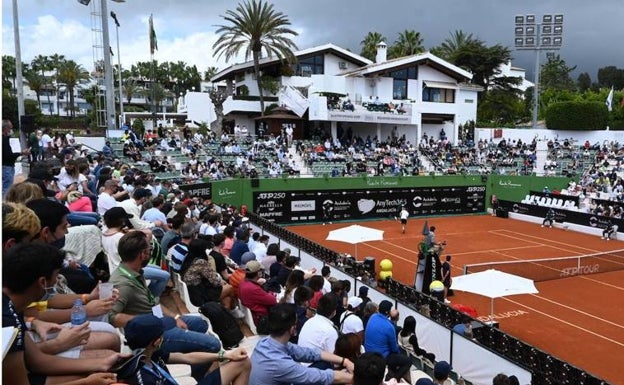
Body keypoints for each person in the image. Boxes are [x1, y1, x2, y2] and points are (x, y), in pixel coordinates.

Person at [2, 242, 121, 385]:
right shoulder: (7, 321)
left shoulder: (14, 308)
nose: (57, 281)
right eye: (56, 275)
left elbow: (37, 360)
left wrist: (102, 363)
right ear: (42, 282)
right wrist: (86, 383)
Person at [108, 231, 221, 380]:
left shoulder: (134, 272)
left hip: (159, 321)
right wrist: (146, 323)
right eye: (149, 250)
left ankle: (193, 358)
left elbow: (152, 302)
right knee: (213, 345)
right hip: (153, 334)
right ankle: (197, 378)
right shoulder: (123, 284)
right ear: (142, 254)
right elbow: (112, 317)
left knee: (200, 323)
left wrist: (175, 316)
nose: (150, 253)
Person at [122, 314, 251, 385]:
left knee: (242, 362)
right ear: (156, 342)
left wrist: (226, 355)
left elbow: (186, 357)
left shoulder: (149, 355)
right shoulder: (142, 379)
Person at [249, 303, 354, 384]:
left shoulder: (266, 342)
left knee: (323, 364)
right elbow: (320, 376)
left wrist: (344, 361)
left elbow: (309, 353)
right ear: (292, 329)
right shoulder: (281, 364)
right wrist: (355, 378)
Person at [364, 300, 411, 383]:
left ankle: (390, 374)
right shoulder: (389, 326)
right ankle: (394, 380)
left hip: (368, 351)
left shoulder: (372, 316)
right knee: (407, 361)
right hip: (380, 356)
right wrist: (398, 352)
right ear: (388, 312)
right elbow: (394, 348)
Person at [298, 294, 340, 364]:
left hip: (302, 365)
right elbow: (334, 359)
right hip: (314, 369)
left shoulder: (309, 321)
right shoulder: (329, 331)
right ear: (334, 311)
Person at [2, 119, 31, 197]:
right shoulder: (3, 139)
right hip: (6, 167)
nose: (11, 130)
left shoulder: (5, 139)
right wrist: (22, 153)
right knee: (7, 189)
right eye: (10, 128)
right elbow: (7, 155)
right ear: (5, 128)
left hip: (6, 166)